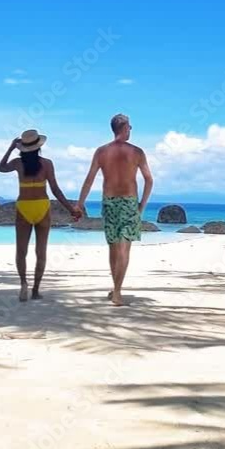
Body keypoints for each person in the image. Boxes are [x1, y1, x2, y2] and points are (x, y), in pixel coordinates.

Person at [75, 113, 153, 306]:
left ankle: (115, 288)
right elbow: (149, 180)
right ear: (124, 128)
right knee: (125, 247)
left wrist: (80, 204)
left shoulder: (101, 152)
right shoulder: (137, 152)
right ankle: (117, 291)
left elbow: (89, 179)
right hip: (129, 202)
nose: (131, 130)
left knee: (113, 246)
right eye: (130, 127)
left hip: (109, 202)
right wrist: (142, 205)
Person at [0, 129, 78, 302]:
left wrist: (11, 148)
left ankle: (23, 285)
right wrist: (70, 208)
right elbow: (55, 190)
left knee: (21, 251)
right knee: (41, 252)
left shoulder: (18, 163)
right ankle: (35, 290)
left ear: (22, 147)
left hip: (24, 206)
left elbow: (1, 168)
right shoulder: (47, 164)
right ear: (39, 146)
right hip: (42, 206)